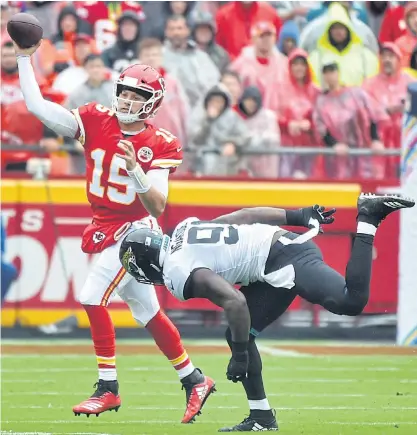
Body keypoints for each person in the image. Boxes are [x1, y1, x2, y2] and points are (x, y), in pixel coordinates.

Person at [14, 40, 214, 422]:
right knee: (149, 313)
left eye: (136, 94)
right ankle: (194, 379)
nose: (126, 99)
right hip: (106, 225)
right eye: (123, 91)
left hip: (135, 230)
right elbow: (39, 108)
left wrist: (136, 170)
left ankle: (108, 388)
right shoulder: (94, 118)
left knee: (92, 296)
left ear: (152, 102)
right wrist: (25, 57)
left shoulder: (159, 142)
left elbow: (157, 205)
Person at [119, 193, 415, 431]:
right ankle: (261, 417)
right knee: (239, 332)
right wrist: (296, 215)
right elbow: (242, 217)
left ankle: (368, 218)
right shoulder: (184, 228)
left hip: (285, 257)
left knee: (350, 301)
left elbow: (234, 301)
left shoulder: (175, 271)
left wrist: (239, 357)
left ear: (147, 264)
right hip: (271, 259)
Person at [313, 62, 385, 180]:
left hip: (363, 153)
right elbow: (320, 128)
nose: (330, 76)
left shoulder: (356, 94)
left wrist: (375, 139)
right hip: (338, 157)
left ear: (338, 73)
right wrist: (334, 144)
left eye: (332, 71)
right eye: (326, 73)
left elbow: (372, 115)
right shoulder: (321, 101)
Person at [308, 3, 378, 87]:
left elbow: (373, 86)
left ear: (348, 29)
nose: (338, 32)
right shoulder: (316, 57)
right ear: (329, 30)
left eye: (341, 27)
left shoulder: (365, 56)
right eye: (334, 28)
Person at [163, 14, 220, 107]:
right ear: (166, 32)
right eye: (171, 29)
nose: (176, 32)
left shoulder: (201, 57)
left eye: (179, 28)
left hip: (198, 110)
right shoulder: (159, 56)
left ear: (187, 31)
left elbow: (213, 85)